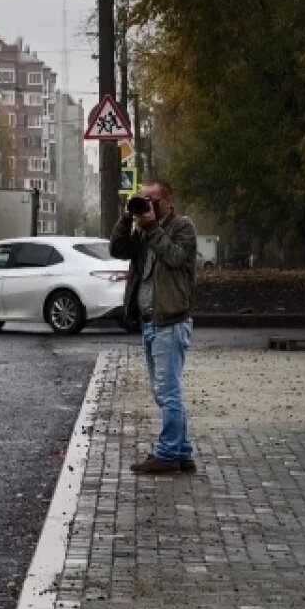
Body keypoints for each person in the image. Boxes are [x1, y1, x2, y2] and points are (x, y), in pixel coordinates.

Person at [109, 179, 199, 475]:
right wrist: (125, 219)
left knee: (168, 391)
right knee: (164, 391)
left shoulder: (182, 227)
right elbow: (117, 250)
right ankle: (182, 451)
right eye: (141, 199)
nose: (145, 204)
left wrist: (150, 227)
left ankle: (168, 453)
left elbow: (175, 257)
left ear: (167, 202)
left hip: (171, 320)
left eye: (151, 199)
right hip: (149, 320)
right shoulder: (142, 232)